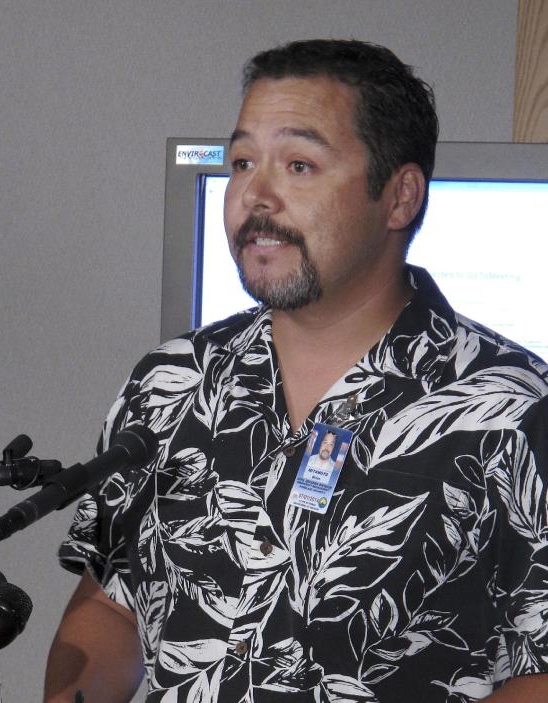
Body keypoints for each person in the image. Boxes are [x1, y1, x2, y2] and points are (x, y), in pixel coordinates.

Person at [44, 39, 548, 702]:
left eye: (299, 165)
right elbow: (111, 604)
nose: (255, 194)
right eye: (243, 161)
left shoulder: (513, 411)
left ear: (398, 198)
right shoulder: (171, 383)